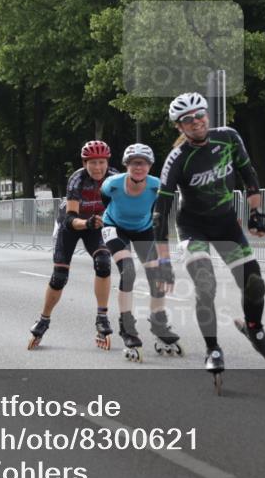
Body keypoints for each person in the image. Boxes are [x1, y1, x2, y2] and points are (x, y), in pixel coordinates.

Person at [152, 92, 265, 392]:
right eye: (187, 120)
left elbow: (249, 175)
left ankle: (254, 328)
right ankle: (212, 349)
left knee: (255, 284)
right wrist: (164, 262)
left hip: (225, 226)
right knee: (206, 285)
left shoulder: (229, 137)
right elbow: (161, 212)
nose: (195, 123)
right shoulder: (177, 159)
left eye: (199, 116)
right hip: (193, 228)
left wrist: (257, 211)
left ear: (207, 115)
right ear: (178, 127)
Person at [28, 141, 118, 350]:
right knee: (59, 276)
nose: (98, 167)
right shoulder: (77, 179)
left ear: (107, 162)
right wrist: (86, 223)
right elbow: (70, 219)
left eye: (102, 162)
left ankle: (102, 317)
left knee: (103, 262)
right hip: (71, 225)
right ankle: (44, 319)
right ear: (85, 163)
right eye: (93, 163)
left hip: (96, 224)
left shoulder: (115, 178)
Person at [100, 143, 182, 362]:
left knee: (157, 276)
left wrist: (165, 259)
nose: (139, 168)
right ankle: (127, 328)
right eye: (135, 163)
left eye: (144, 164)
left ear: (150, 166)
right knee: (128, 271)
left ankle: (159, 324)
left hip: (143, 229)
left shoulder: (157, 186)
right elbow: (105, 201)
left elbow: (161, 220)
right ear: (127, 165)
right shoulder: (113, 184)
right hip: (114, 226)